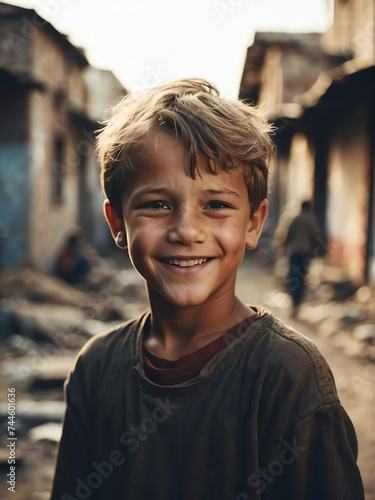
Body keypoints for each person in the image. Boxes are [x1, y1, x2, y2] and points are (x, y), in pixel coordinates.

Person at [51, 79, 364, 500]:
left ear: (253, 223)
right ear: (117, 224)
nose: (186, 231)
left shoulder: (288, 376)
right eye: (157, 204)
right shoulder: (95, 368)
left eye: (215, 205)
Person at [284, 200, 320, 316]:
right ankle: (297, 304)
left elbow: (288, 235)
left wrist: (285, 248)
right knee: (301, 278)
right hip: (305, 253)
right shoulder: (311, 220)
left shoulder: (296, 219)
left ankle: (294, 303)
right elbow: (316, 237)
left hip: (294, 252)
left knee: (293, 276)